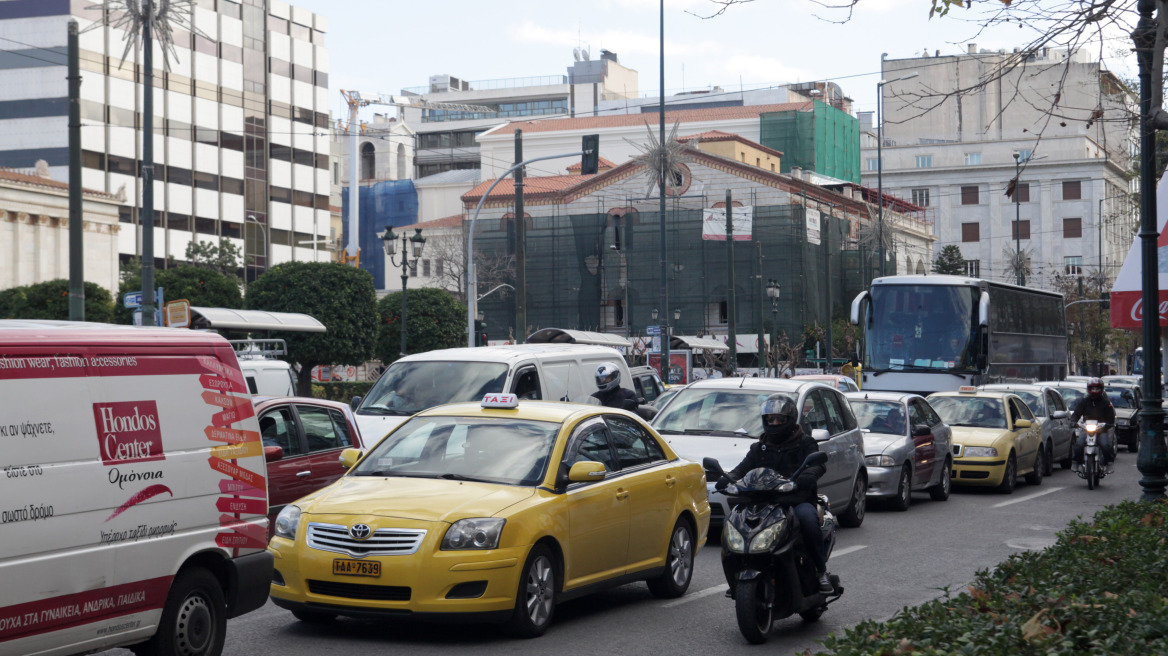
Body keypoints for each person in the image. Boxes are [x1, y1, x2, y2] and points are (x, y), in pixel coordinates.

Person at [716, 394, 833, 594]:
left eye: (780, 419)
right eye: (771, 419)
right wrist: (728, 478)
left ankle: (820, 571)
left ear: (790, 419)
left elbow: (818, 464)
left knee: (807, 519)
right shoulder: (759, 447)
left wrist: (809, 474)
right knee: (732, 520)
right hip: (763, 502)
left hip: (795, 501)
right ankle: (736, 574)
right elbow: (743, 468)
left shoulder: (805, 443)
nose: (775, 423)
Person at [1069, 377, 1117, 473]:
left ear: (1101, 389)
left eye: (1097, 388)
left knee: (1105, 444)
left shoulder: (1106, 403)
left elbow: (1111, 417)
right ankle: (1075, 462)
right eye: (1093, 388)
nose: (1095, 391)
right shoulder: (1084, 401)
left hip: (1101, 429)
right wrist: (1073, 421)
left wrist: (1108, 424)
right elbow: (1076, 413)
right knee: (1079, 444)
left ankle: (1109, 463)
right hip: (1086, 428)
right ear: (1089, 389)